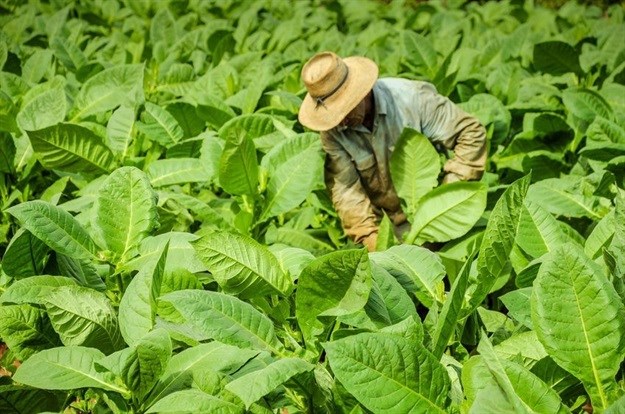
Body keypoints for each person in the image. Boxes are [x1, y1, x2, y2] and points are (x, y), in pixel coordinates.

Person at [298, 52, 487, 251]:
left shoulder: (412, 100)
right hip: (386, 226)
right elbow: (346, 192)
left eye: (343, 110)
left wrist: (447, 197)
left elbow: (471, 133)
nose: (339, 121)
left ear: (360, 93)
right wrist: (375, 243)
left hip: (437, 217)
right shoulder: (333, 132)